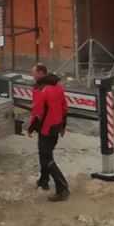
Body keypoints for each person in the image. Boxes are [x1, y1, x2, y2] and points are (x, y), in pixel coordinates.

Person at [26, 63, 70, 200]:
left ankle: (62, 188)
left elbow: (37, 112)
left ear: (40, 73)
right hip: (56, 127)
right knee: (45, 154)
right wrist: (62, 127)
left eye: (33, 73)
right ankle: (44, 180)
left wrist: (31, 128)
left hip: (45, 128)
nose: (32, 76)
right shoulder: (58, 86)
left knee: (47, 158)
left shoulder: (40, 90)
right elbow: (64, 108)